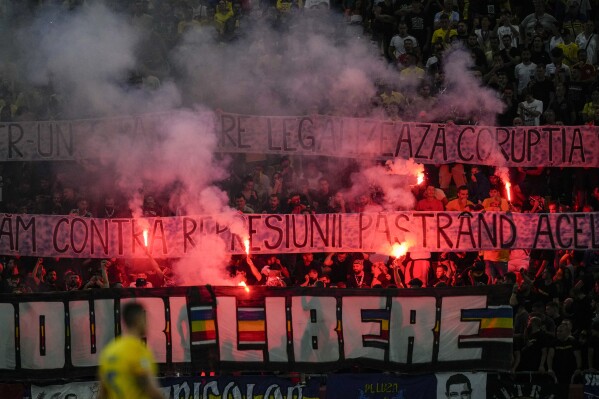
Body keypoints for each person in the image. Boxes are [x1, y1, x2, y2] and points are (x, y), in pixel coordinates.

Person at [98, 302, 162, 399]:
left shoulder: (109, 351)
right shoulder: (138, 350)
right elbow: (149, 388)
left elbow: (103, 393)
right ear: (138, 319)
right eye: (145, 319)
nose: (147, 324)